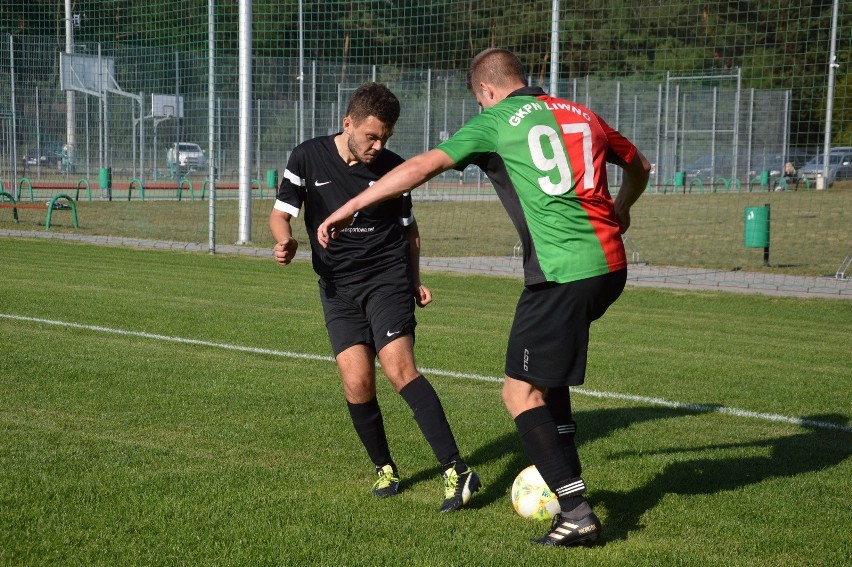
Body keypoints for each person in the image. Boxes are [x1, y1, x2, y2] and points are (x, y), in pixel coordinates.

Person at [318, 50, 650, 546]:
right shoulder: (581, 113)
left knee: (518, 393)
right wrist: (622, 208)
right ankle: (570, 490)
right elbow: (640, 164)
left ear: (487, 92)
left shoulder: (496, 121)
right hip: (611, 266)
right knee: (547, 381)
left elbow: (424, 166)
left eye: (479, 100)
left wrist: (353, 204)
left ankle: (577, 510)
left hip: (561, 273)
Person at [269, 82, 480, 513]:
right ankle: (385, 467)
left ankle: (457, 470)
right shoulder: (306, 157)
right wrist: (284, 240)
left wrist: (414, 278)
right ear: (348, 123)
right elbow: (280, 213)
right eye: (371, 136)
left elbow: (409, 230)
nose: (378, 145)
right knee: (357, 381)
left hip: (386, 279)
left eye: (385, 137)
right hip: (336, 287)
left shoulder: (394, 169)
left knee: (399, 369)